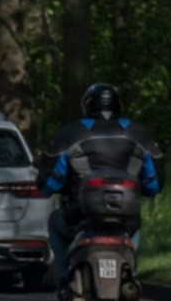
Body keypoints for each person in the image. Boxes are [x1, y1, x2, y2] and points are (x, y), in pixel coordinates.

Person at [38, 82, 164, 283]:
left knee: (55, 222)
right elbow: (154, 184)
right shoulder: (139, 134)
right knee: (134, 226)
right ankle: (130, 272)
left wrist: (51, 188)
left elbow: (50, 181)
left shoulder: (71, 133)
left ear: (87, 105)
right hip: (126, 217)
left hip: (79, 214)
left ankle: (63, 276)